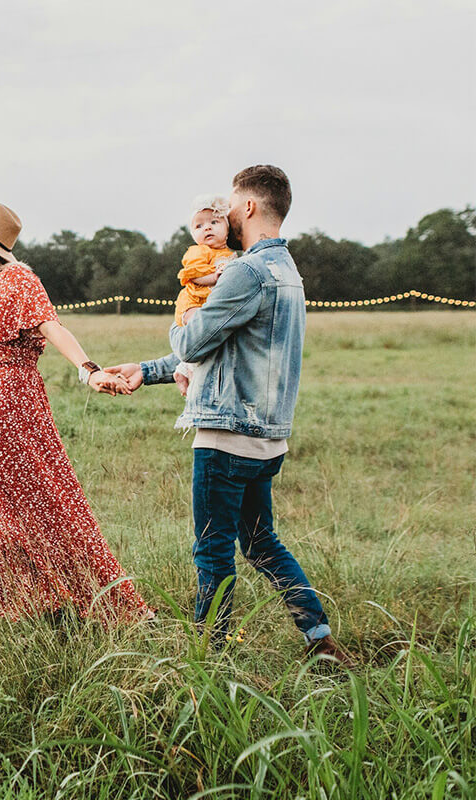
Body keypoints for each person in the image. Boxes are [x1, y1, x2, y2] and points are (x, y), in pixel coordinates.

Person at [105, 166, 353, 664]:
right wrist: (148, 370)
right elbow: (225, 348)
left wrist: (185, 320)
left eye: (232, 204)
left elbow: (195, 340)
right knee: (262, 544)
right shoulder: (288, 272)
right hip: (268, 440)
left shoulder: (245, 271)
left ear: (250, 207)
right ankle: (319, 639)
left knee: (212, 551)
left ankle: (207, 657)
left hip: (226, 436)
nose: (225, 214)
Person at [0, 198, 152, 622]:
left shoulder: (19, 278)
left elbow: (52, 325)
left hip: (7, 403)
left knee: (38, 498)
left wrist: (88, 370)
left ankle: (50, 595)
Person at [173, 195, 237, 391]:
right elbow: (193, 276)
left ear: (227, 228)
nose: (207, 228)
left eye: (214, 222)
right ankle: (189, 370)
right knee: (200, 331)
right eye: (199, 226)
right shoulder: (198, 251)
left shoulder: (230, 254)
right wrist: (214, 277)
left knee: (211, 336)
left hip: (208, 304)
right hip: (192, 302)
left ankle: (182, 370)